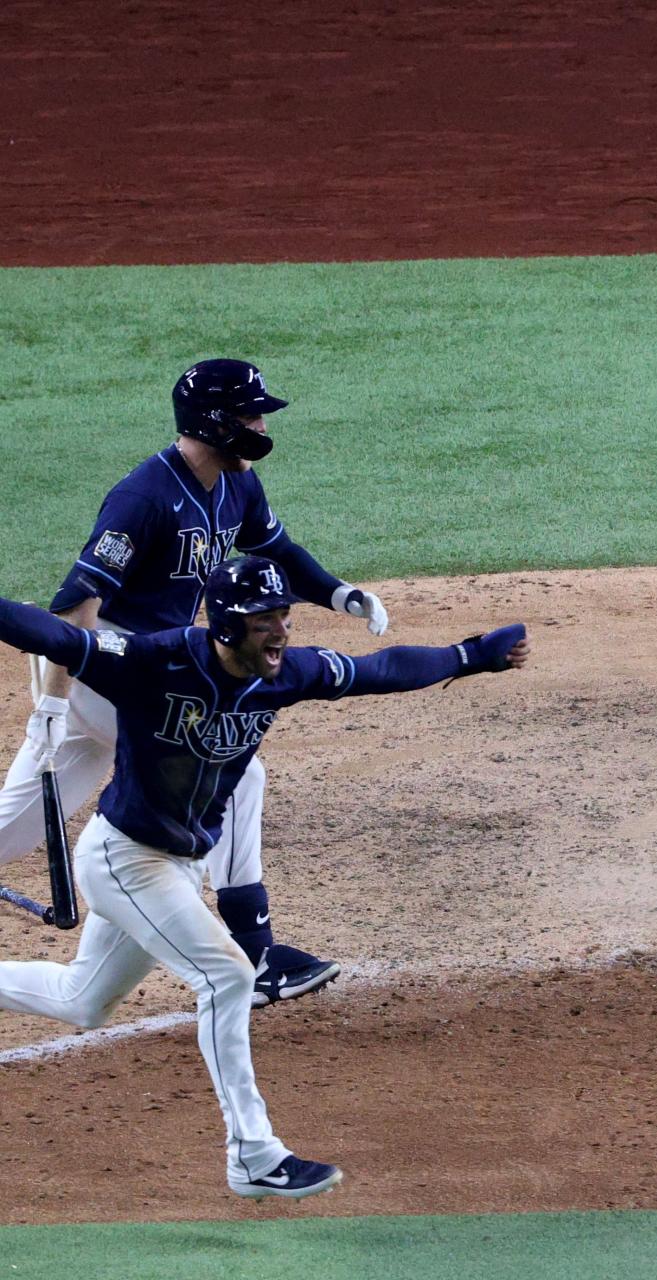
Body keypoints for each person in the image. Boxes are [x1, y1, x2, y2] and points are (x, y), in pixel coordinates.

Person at [0, 556, 530, 1197]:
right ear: (226, 625)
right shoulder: (154, 661)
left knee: (82, 1001)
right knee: (227, 975)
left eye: (283, 615)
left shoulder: (283, 673)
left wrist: (471, 655)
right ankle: (254, 1156)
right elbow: (56, 636)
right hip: (124, 859)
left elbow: (378, 670)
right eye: (264, 621)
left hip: (175, 865)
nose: (280, 631)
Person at [0, 359, 391, 1006]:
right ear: (214, 421)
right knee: (236, 769)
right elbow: (73, 611)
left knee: (16, 826)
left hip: (151, 677)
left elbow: (278, 553)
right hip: (116, 678)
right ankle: (254, 955)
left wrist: (341, 595)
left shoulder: (238, 485)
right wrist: (50, 702)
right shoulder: (144, 498)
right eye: (250, 414)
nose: (261, 425)